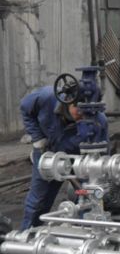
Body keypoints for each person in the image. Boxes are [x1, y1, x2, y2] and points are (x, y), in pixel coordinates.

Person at [19, 86, 108, 229]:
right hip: (47, 152)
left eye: (88, 114)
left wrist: (96, 174)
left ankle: (86, 233)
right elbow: (25, 108)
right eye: (80, 111)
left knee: (88, 196)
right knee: (38, 200)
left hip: (78, 160)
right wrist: (37, 137)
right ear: (69, 101)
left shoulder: (98, 122)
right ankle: (27, 233)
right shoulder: (47, 98)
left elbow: (102, 155)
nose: (83, 117)